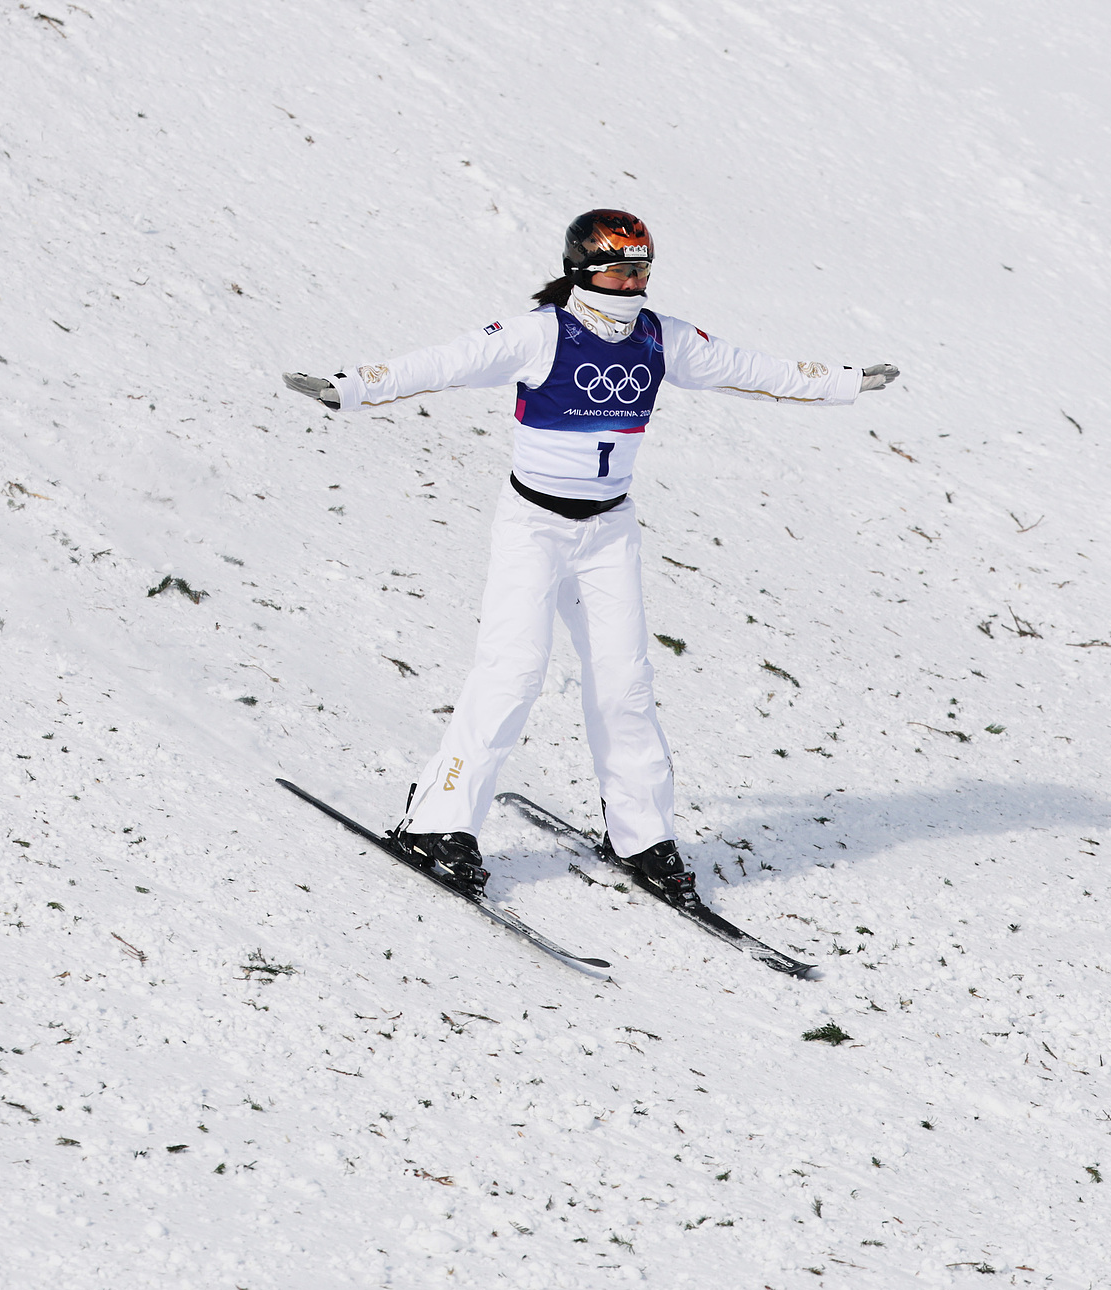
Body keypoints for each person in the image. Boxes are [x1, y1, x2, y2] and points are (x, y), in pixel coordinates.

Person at [284, 209, 898, 907]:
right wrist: (352, 385)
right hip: (534, 528)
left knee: (625, 682)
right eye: (620, 269)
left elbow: (756, 371)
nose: (633, 281)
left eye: (643, 269)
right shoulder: (541, 332)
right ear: (582, 271)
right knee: (512, 673)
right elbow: (446, 363)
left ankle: (641, 834)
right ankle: (436, 824)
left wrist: (846, 380)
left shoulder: (661, 338)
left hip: (609, 532)